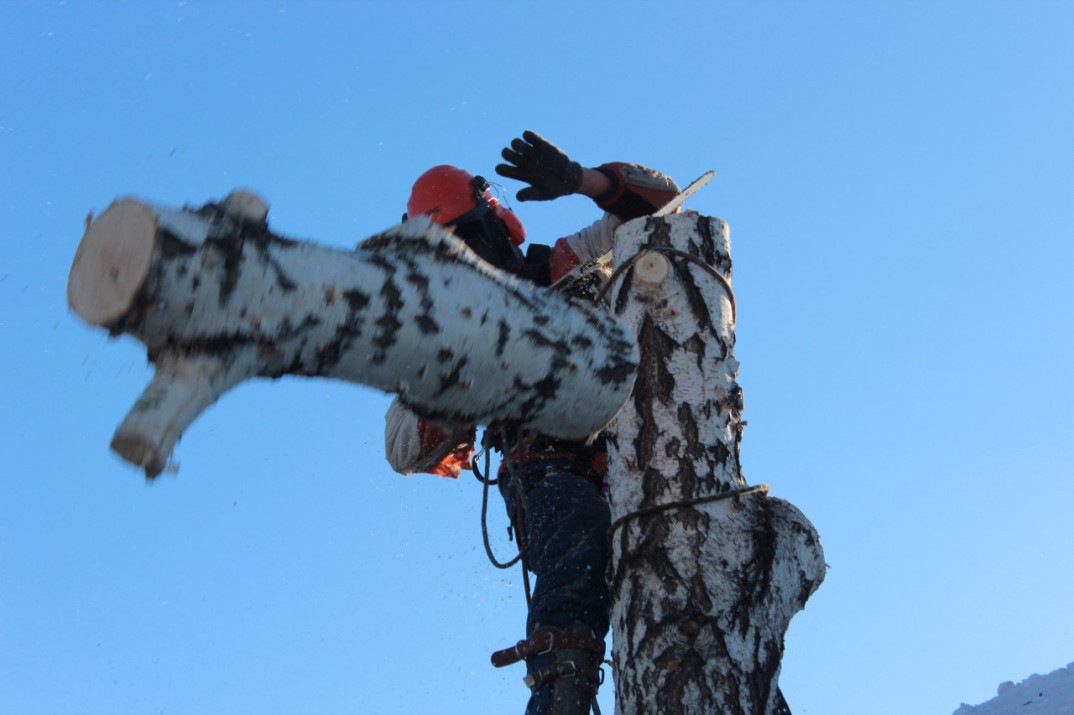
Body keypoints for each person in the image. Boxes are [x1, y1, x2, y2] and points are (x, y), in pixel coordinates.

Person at [384, 131, 679, 714]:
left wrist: (584, 181)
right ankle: (559, 692)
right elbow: (402, 447)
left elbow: (665, 209)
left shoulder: (566, 265)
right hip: (550, 473)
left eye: (468, 240)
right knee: (575, 536)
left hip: (648, 460)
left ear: (495, 224)